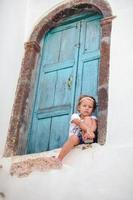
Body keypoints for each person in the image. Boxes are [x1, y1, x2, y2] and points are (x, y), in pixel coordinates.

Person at [57, 95, 97, 162]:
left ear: (92, 110)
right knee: (73, 138)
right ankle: (59, 159)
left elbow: (94, 126)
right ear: (79, 107)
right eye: (84, 106)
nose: (87, 108)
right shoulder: (75, 116)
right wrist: (88, 130)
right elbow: (79, 123)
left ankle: (88, 138)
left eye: (90, 107)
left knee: (87, 119)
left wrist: (90, 132)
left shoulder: (93, 118)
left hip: (87, 137)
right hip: (77, 138)